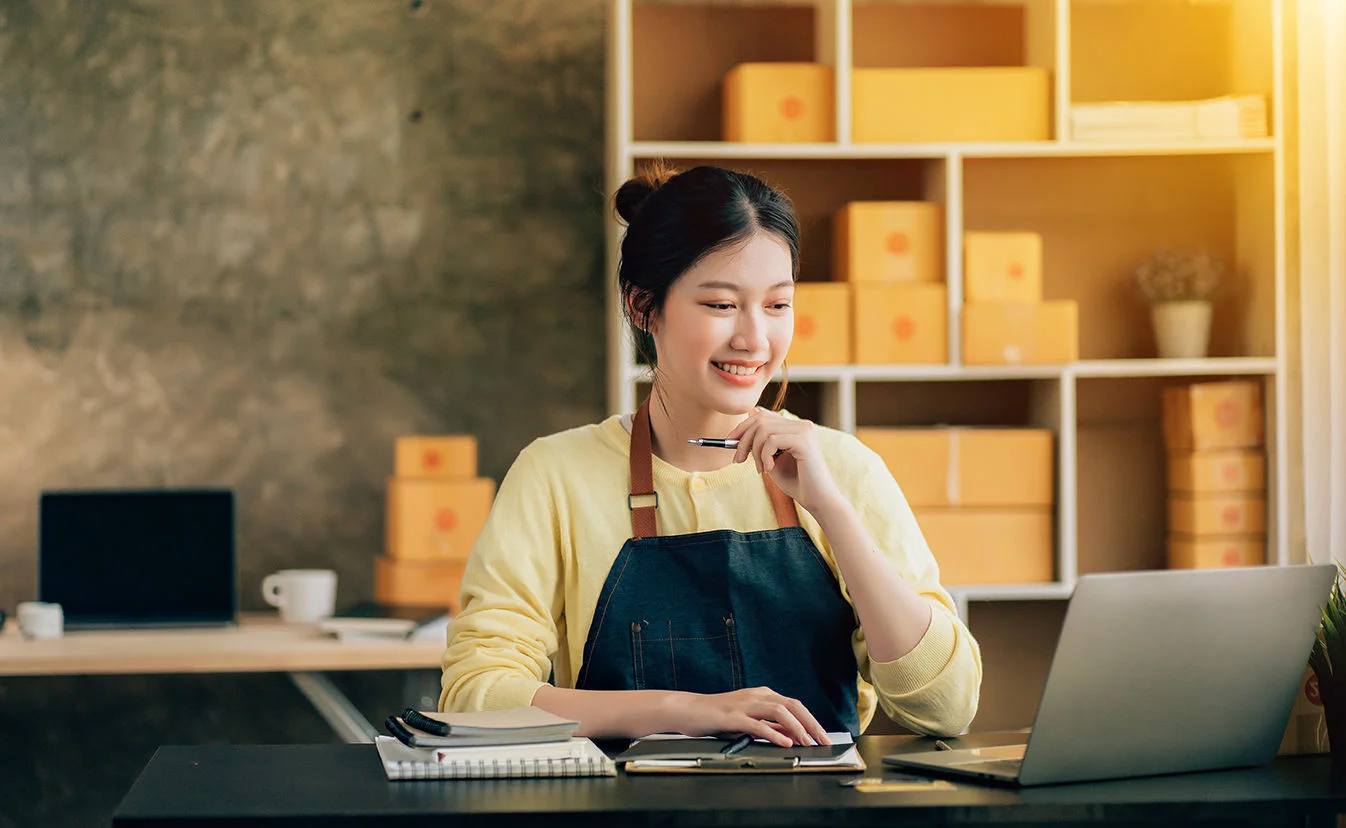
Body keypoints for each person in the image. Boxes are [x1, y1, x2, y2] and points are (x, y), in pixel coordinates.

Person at [440, 164, 981, 746]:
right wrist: (682, 710)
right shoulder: (554, 476)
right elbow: (475, 697)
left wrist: (833, 510)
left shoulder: (843, 470)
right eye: (722, 306)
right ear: (644, 307)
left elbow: (946, 708)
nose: (754, 339)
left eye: (777, 306)